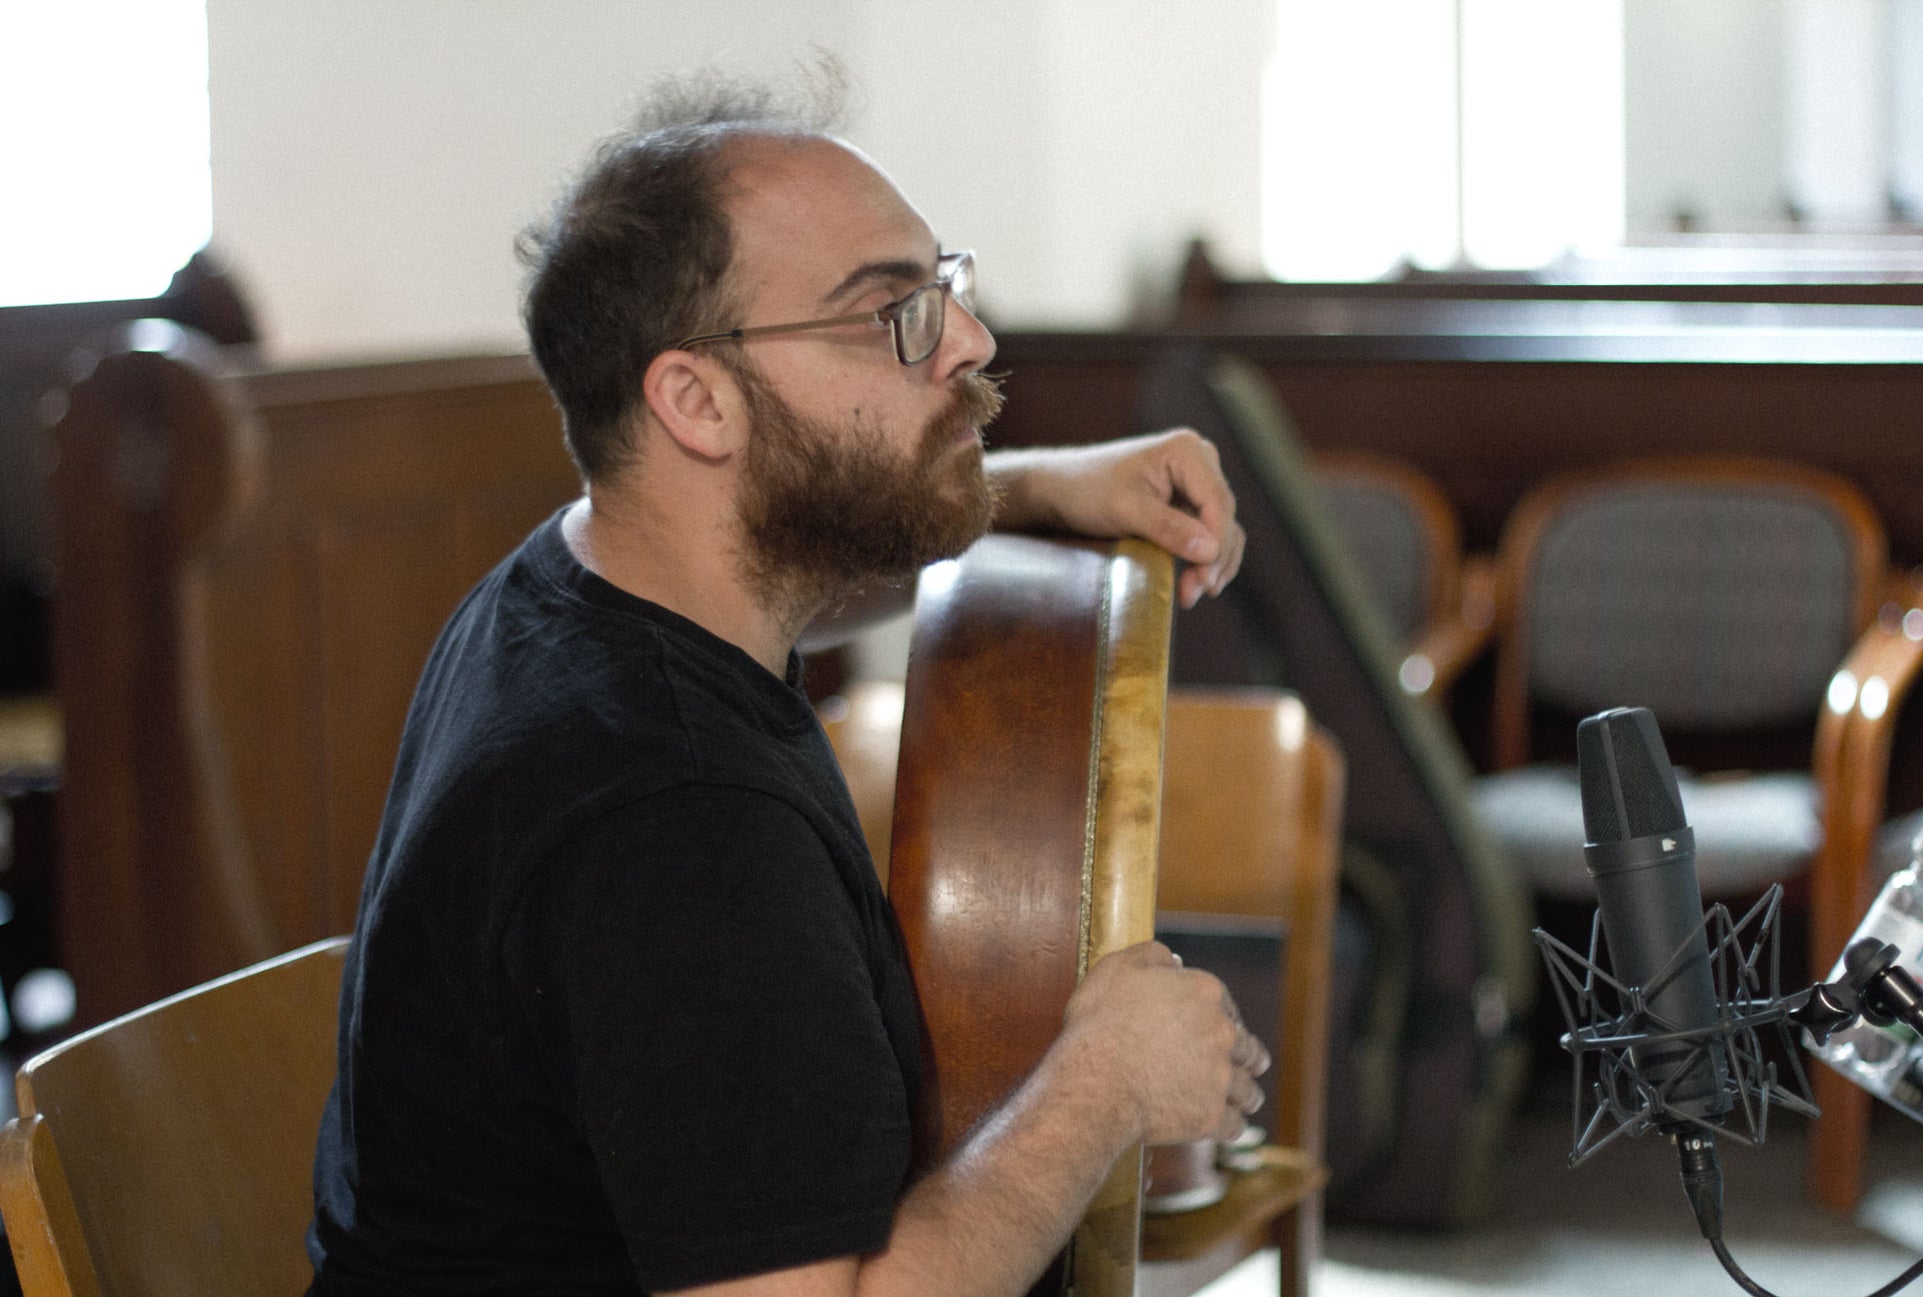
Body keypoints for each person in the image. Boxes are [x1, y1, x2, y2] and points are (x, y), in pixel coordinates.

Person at [308, 70, 1259, 1297]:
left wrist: (1029, 482)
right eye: (889, 313)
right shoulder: (670, 819)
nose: (966, 341)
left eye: (944, 284)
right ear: (694, 400)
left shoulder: (575, 579)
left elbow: (790, 546)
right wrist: (1101, 1086)